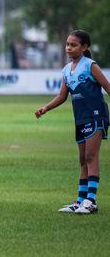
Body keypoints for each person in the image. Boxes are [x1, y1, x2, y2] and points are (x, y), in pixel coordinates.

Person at [36, 30, 110, 214]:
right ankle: (80, 201)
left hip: (95, 116)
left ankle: (91, 201)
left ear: (85, 47)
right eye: (67, 44)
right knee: (82, 160)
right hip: (80, 119)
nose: (69, 47)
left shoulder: (90, 65)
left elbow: (107, 87)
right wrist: (46, 108)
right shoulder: (66, 70)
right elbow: (62, 96)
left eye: (73, 44)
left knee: (91, 157)